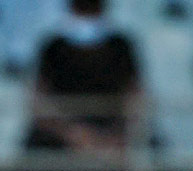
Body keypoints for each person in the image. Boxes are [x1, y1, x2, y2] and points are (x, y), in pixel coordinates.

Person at [24, 0, 142, 153]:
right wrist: (74, 134)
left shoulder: (121, 46)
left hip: (115, 138)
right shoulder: (53, 47)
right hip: (60, 137)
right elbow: (39, 102)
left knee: (147, 146)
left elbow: (137, 97)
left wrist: (114, 137)